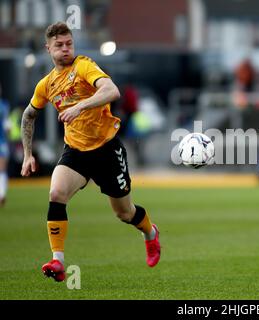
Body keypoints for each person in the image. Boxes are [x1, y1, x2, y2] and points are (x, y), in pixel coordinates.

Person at [20, 22, 161, 282]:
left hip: (106, 149)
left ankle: (150, 233)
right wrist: (28, 154)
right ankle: (58, 261)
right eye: (59, 45)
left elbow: (112, 90)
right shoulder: (46, 84)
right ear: (47, 48)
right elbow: (29, 116)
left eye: (69, 44)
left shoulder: (83, 65)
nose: (65, 49)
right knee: (56, 192)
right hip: (76, 152)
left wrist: (80, 107)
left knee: (124, 213)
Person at [0, 83, 10, 206]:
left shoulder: (4, 105)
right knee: (2, 169)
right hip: (2, 142)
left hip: (2, 141)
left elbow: (7, 125)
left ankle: (2, 194)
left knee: (2, 169)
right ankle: (2, 193)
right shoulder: (4, 106)